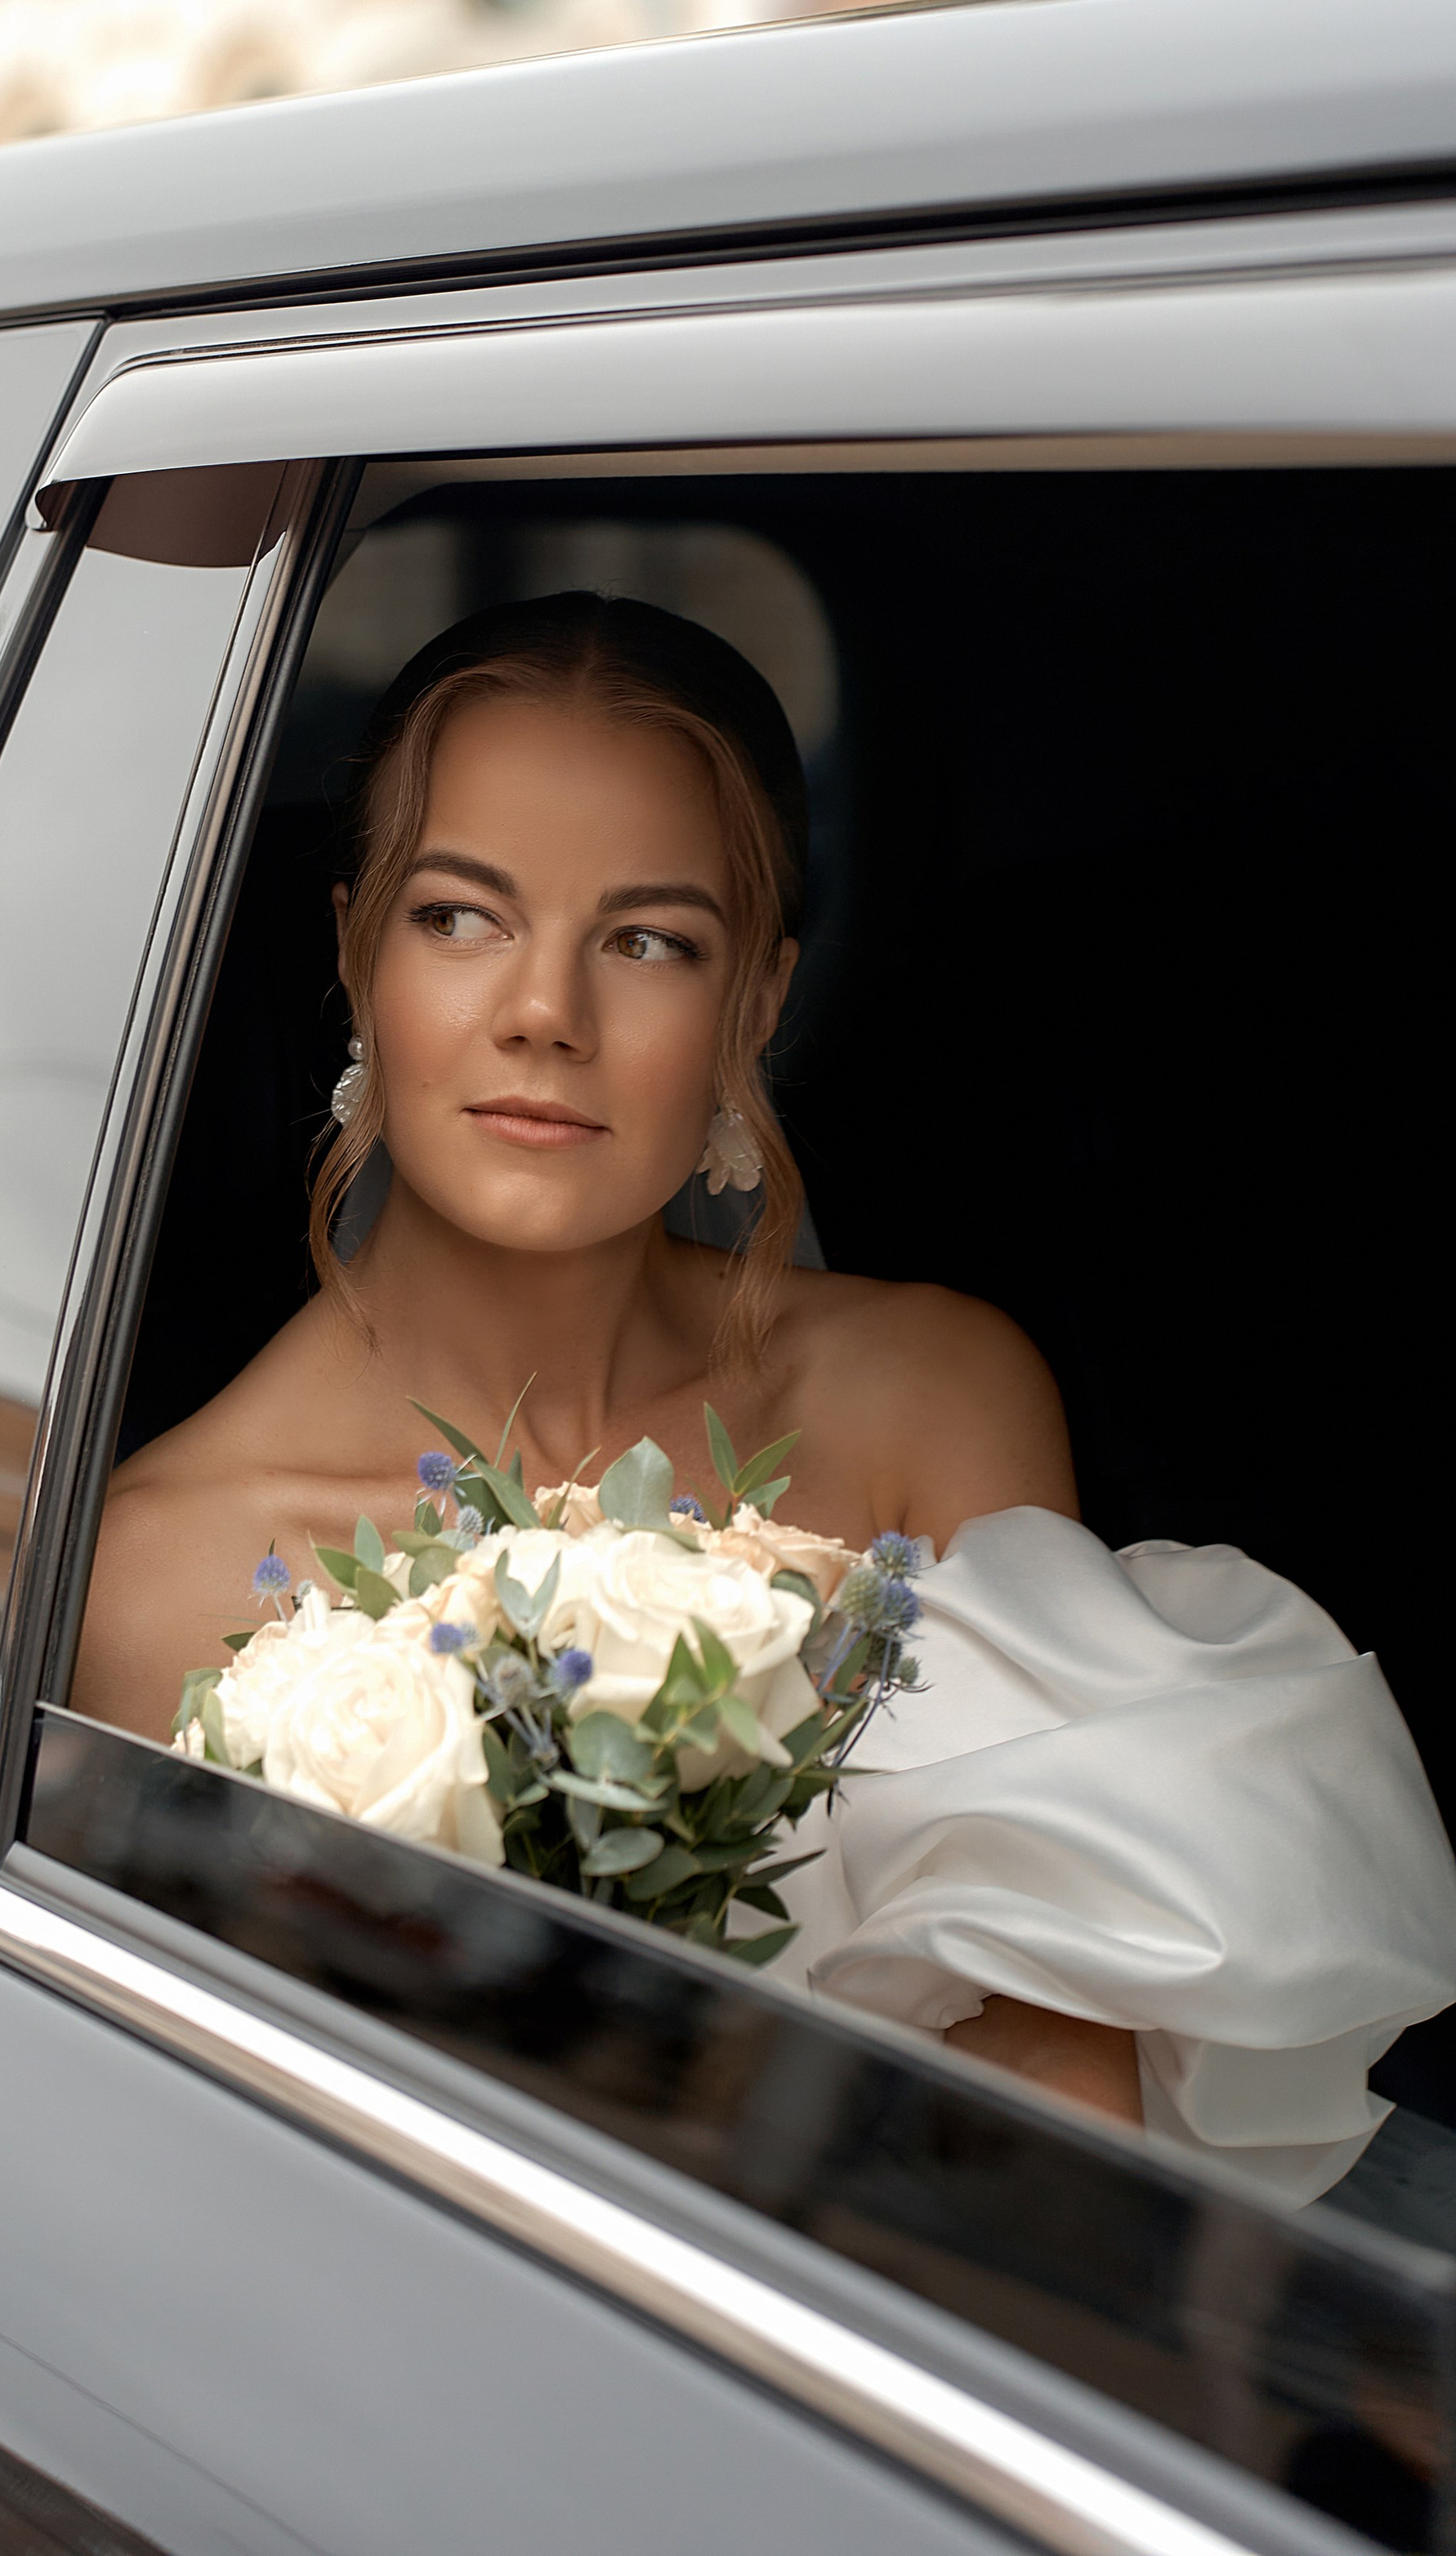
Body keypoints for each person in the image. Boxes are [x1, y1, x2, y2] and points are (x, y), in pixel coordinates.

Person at [79, 592, 1456, 2198]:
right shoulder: (152, 1573)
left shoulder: (926, 1395)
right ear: (349, 951)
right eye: (458, 916)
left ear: (755, 1000)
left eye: (648, 941)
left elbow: (1062, 2074)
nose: (546, 1012)